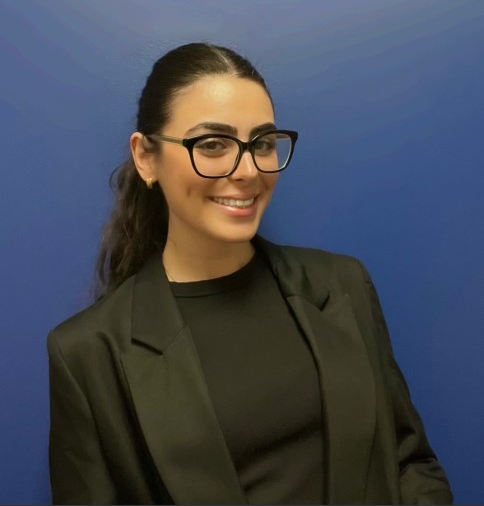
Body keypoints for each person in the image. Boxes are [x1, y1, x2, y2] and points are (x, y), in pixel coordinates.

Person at [47, 42, 452, 505]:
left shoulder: (342, 286)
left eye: (261, 143)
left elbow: (409, 462)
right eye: (212, 144)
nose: (247, 171)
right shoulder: (87, 354)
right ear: (145, 157)